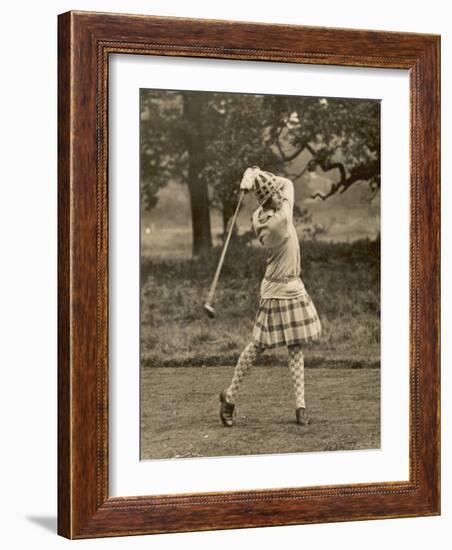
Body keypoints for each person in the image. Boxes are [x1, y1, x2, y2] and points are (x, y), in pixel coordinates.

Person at [219, 166, 322, 427]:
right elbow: (287, 182)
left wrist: (254, 177)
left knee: (295, 346)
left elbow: (274, 191)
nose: (279, 195)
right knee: (258, 346)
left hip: (291, 286)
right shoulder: (282, 219)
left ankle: (300, 406)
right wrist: (259, 172)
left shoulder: (257, 216)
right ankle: (229, 397)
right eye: (275, 194)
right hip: (277, 291)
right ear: (272, 196)